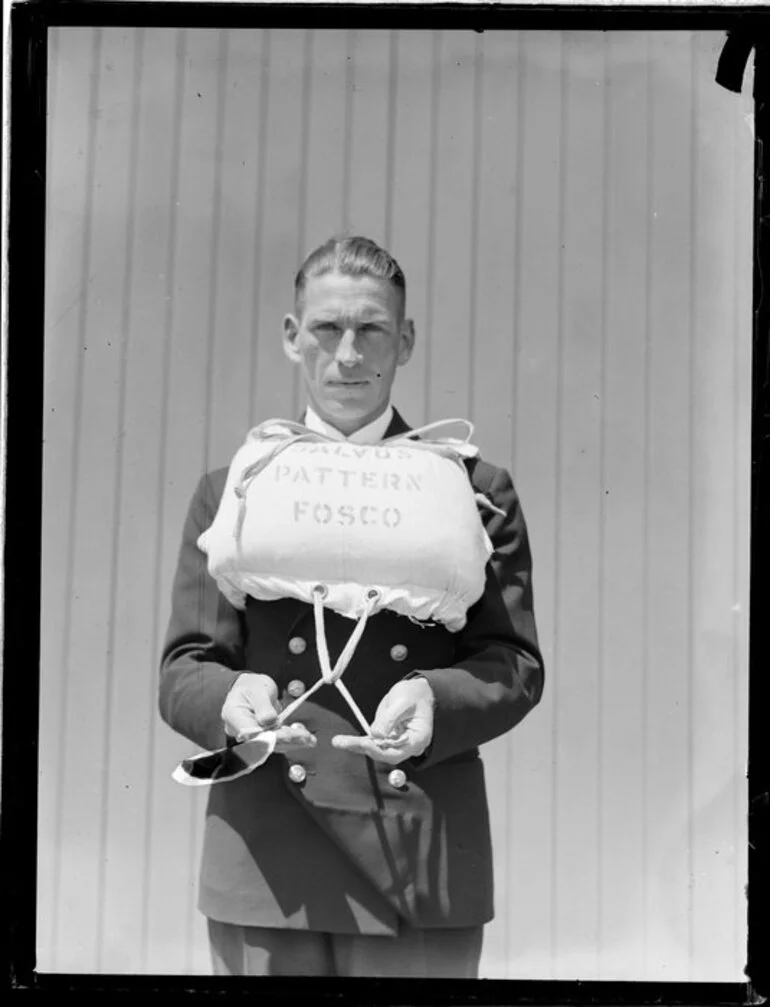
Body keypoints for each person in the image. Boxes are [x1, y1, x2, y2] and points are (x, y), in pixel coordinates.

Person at [159, 235, 545, 978]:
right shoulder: (233, 489)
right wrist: (229, 695)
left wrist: (436, 695)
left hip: (418, 852)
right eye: (327, 328)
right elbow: (185, 667)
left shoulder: (473, 489)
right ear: (291, 335)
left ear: (404, 339)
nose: (347, 353)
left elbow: (515, 662)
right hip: (269, 861)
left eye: (371, 329)